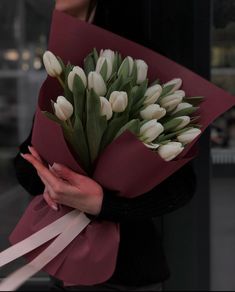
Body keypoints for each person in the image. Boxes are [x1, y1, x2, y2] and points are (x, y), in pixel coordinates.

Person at [14, 0, 197, 291]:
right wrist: (48, 177)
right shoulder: (64, 58)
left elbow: (181, 185)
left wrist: (101, 203)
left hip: (127, 274)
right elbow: (26, 159)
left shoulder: (137, 57)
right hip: (66, 264)